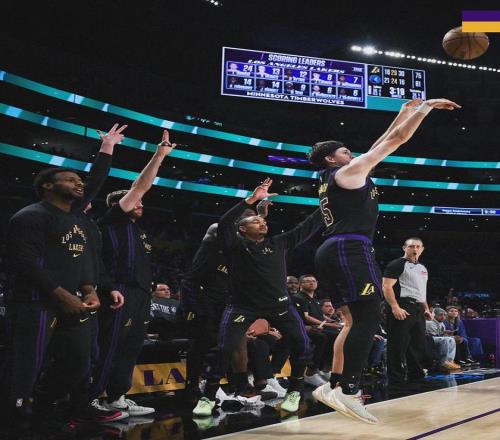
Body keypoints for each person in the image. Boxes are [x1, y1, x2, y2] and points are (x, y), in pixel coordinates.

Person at [309, 97, 460, 424]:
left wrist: (402, 113)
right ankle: (349, 390)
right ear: (331, 158)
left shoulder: (334, 177)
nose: (352, 153)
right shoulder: (347, 173)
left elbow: (380, 143)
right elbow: (396, 140)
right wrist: (425, 109)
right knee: (366, 319)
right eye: (345, 151)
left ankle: (334, 384)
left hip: (331, 249)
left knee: (352, 321)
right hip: (350, 249)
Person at [2, 124, 128, 437]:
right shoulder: (30, 216)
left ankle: (45, 411)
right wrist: (62, 294)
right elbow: (24, 263)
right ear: (47, 186)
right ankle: (14, 422)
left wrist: (89, 290)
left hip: (74, 302)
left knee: (79, 362)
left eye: (79, 180)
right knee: (25, 366)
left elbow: (81, 260)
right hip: (35, 303)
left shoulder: (76, 217)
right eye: (70, 179)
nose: (79, 184)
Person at [193, 178, 323, 416]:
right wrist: (251, 200)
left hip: (279, 306)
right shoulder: (234, 245)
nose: (262, 222)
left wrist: (328, 200)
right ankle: (208, 397)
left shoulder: (278, 243)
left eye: (263, 221)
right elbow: (225, 222)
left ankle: (294, 392)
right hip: (242, 307)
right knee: (224, 349)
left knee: (303, 345)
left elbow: (308, 225)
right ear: (242, 229)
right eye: (255, 221)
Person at [89, 130, 177, 417]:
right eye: (135, 200)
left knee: (131, 348)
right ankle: (91, 398)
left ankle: (116, 397)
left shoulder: (138, 231)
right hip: (119, 290)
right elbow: (140, 187)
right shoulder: (112, 220)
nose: (141, 203)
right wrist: (159, 156)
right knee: (110, 346)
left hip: (140, 294)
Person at [382, 237, 432, 386]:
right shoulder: (397, 264)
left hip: (418, 308)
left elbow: (421, 291)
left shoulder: (422, 268)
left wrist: (426, 308)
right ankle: (395, 377)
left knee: (417, 343)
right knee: (398, 343)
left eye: (417, 246)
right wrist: (395, 307)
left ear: (422, 249)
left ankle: (415, 373)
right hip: (402, 305)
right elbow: (386, 286)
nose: (414, 249)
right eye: (411, 246)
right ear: (404, 248)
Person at [292, 275, 336, 386]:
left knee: (338, 335)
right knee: (324, 337)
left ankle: (325, 369)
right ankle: (311, 372)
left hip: (320, 326)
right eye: (308, 281)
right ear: (301, 284)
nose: (312, 283)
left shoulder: (314, 299)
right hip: (306, 328)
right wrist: (329, 325)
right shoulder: (298, 298)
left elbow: (320, 315)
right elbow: (306, 317)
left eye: (313, 281)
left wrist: (334, 322)